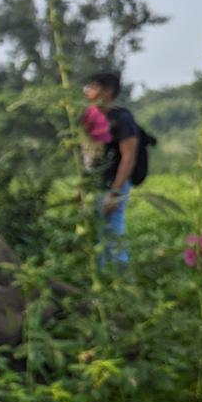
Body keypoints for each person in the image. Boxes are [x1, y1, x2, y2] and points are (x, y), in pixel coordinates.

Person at [84, 70, 139, 268]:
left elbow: (128, 158)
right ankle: (103, 287)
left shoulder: (122, 119)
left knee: (114, 235)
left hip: (114, 186)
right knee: (99, 238)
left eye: (92, 87)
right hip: (95, 185)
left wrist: (115, 192)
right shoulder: (92, 118)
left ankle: (119, 283)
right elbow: (88, 157)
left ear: (107, 92)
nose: (87, 92)